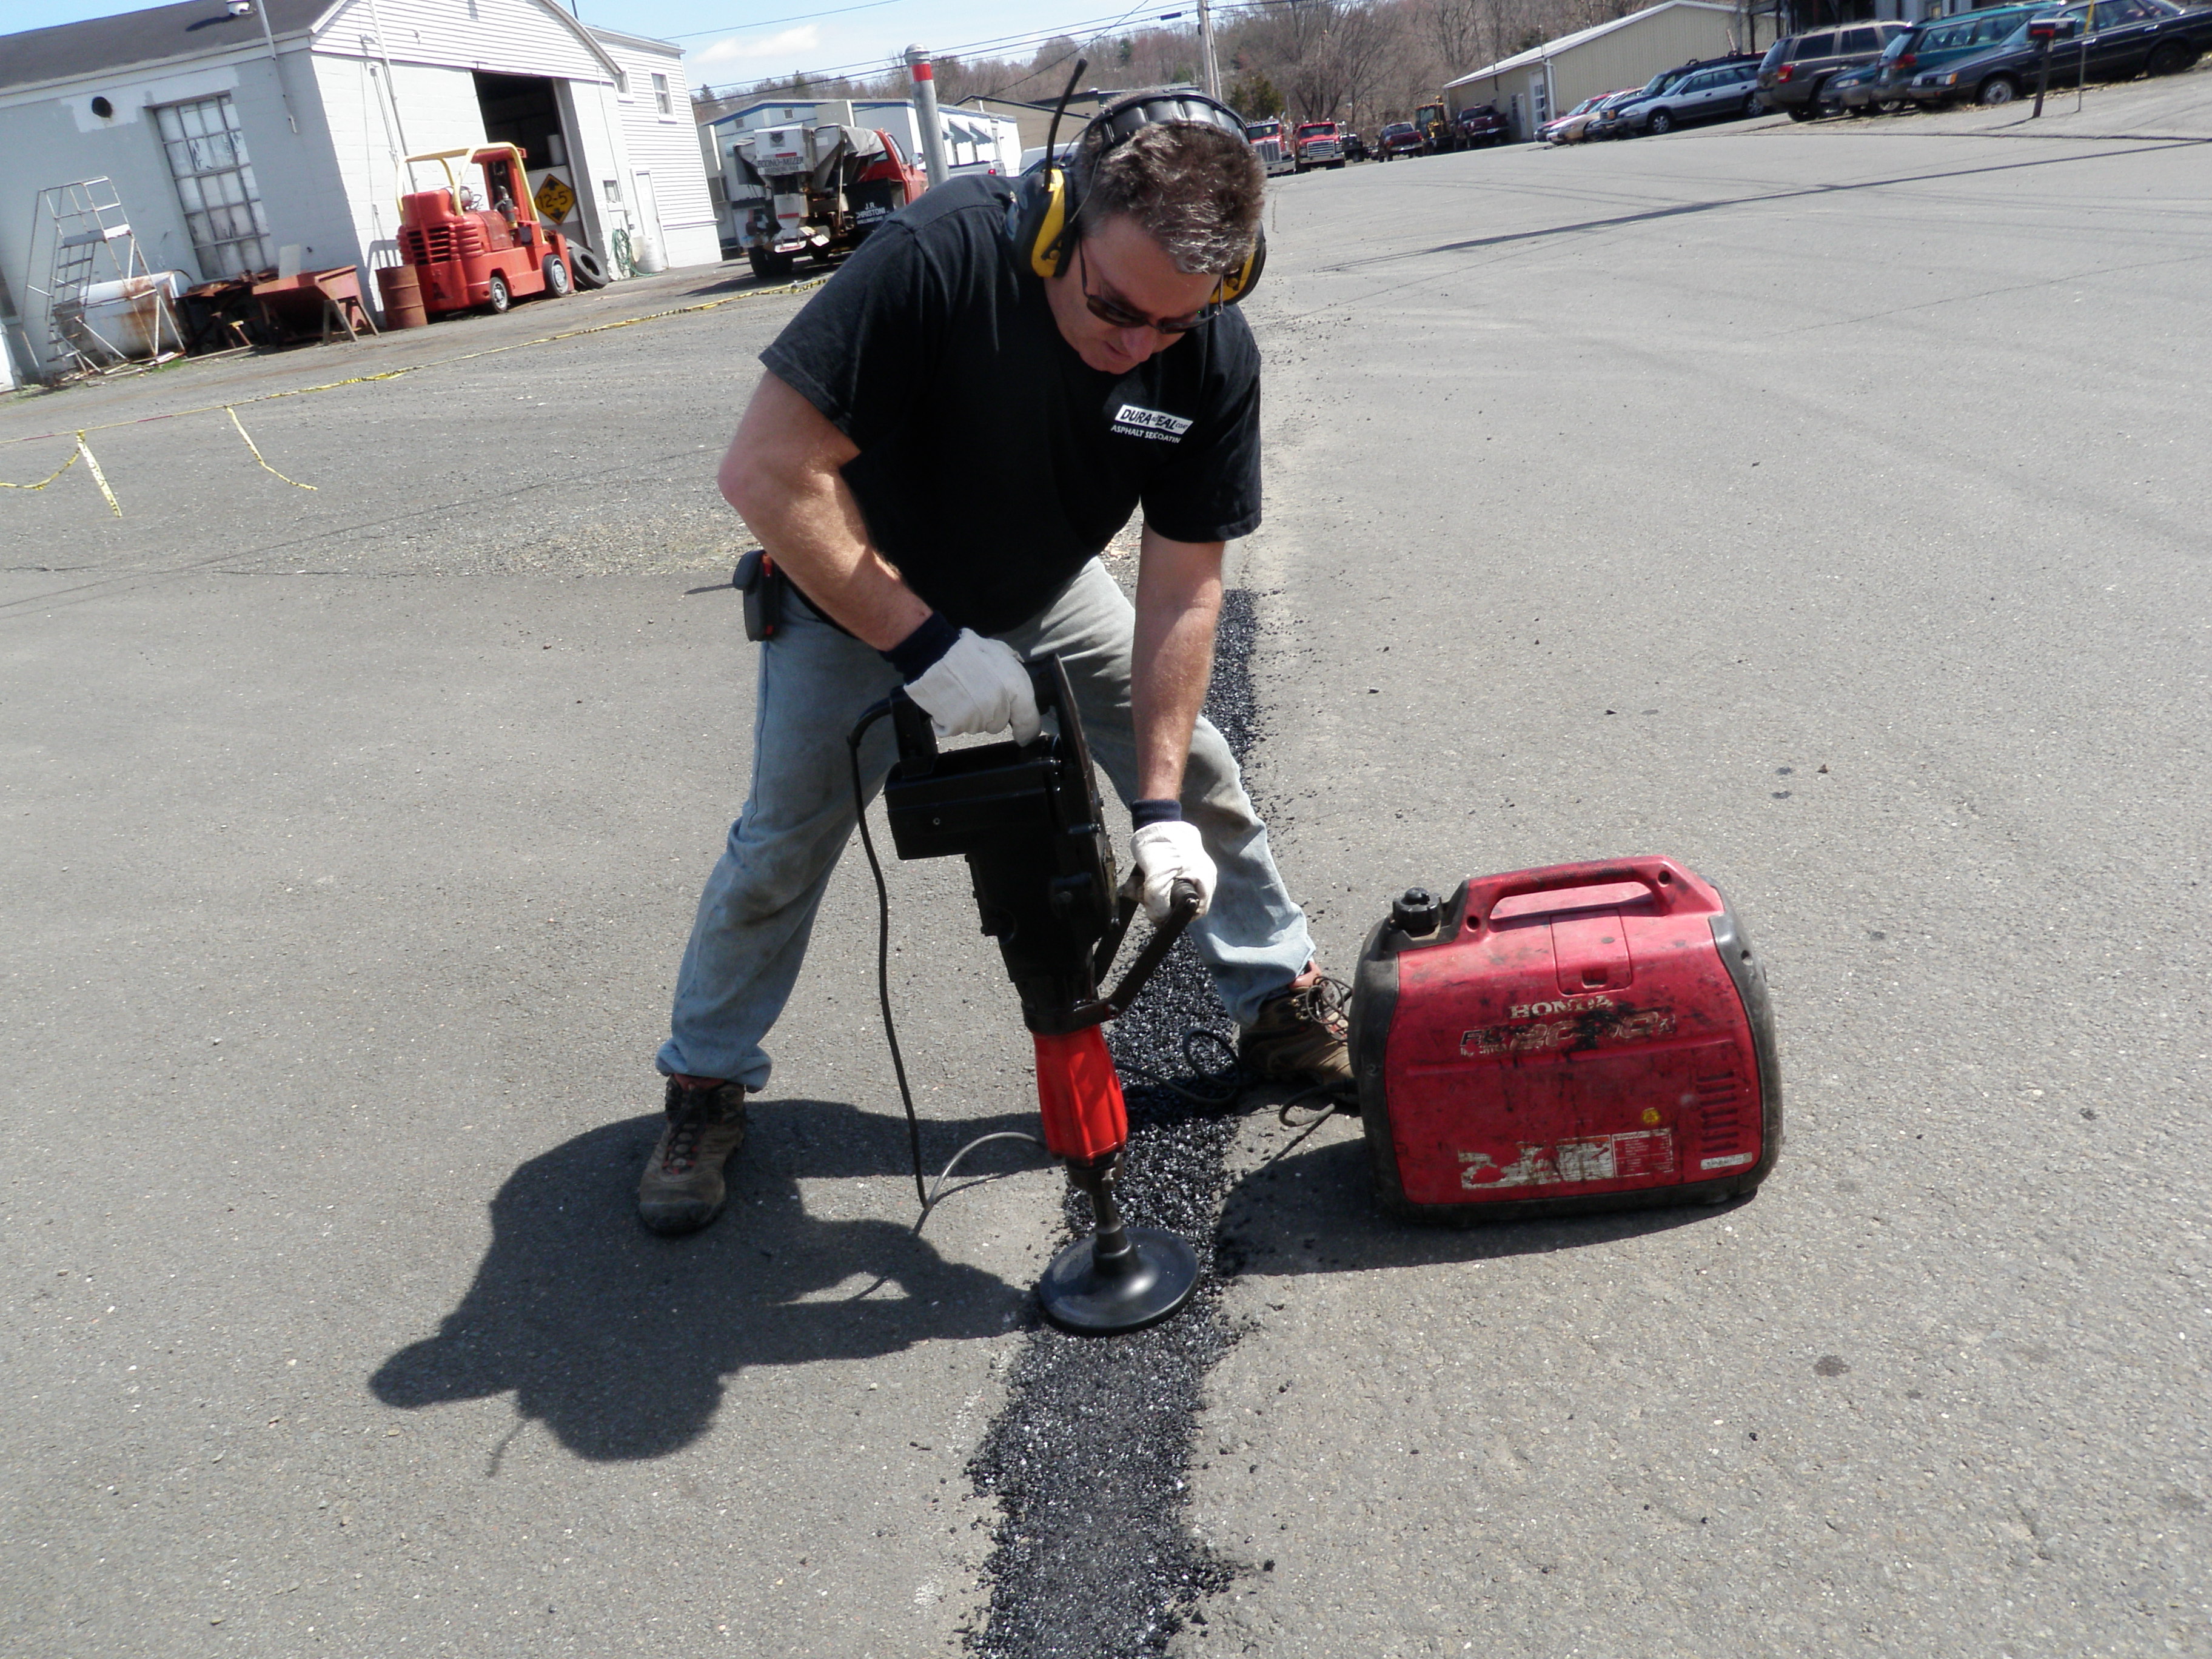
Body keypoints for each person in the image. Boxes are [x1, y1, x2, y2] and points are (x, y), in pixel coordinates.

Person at [639, 93, 1349, 1236]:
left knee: (1203, 771)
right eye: (1116, 309)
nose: (1137, 348)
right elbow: (767, 474)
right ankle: (703, 1082)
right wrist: (924, 647)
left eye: (1173, 324)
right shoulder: (937, 262)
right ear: (1058, 227)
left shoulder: (1207, 346)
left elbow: (1183, 586)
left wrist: (1156, 806)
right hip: (860, 588)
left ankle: (1280, 998)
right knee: (784, 839)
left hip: (1044, 585)